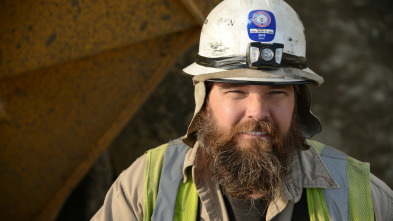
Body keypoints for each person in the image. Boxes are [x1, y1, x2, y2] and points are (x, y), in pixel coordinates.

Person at [92, 0, 393, 220]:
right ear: (205, 101)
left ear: (298, 102)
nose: (257, 111)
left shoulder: (361, 194)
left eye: (277, 92)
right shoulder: (147, 186)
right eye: (236, 91)